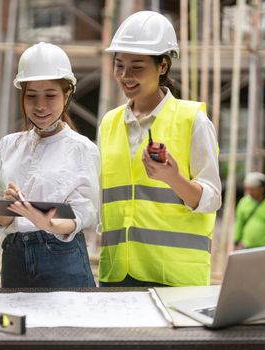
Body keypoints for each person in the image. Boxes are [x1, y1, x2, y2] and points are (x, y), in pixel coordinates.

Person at [98, 11, 221, 287]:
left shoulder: (193, 120)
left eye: (137, 67)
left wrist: (172, 179)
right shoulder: (109, 122)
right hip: (117, 272)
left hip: (175, 278)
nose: (125, 76)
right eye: (119, 66)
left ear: (163, 66)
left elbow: (212, 199)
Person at [0, 42, 99, 288]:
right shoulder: (9, 146)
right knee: (15, 325)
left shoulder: (82, 149)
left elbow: (83, 215)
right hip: (14, 257)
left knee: (68, 326)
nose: (40, 106)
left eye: (50, 95)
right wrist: (7, 205)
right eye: (31, 96)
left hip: (61, 255)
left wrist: (46, 223)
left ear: (67, 94)